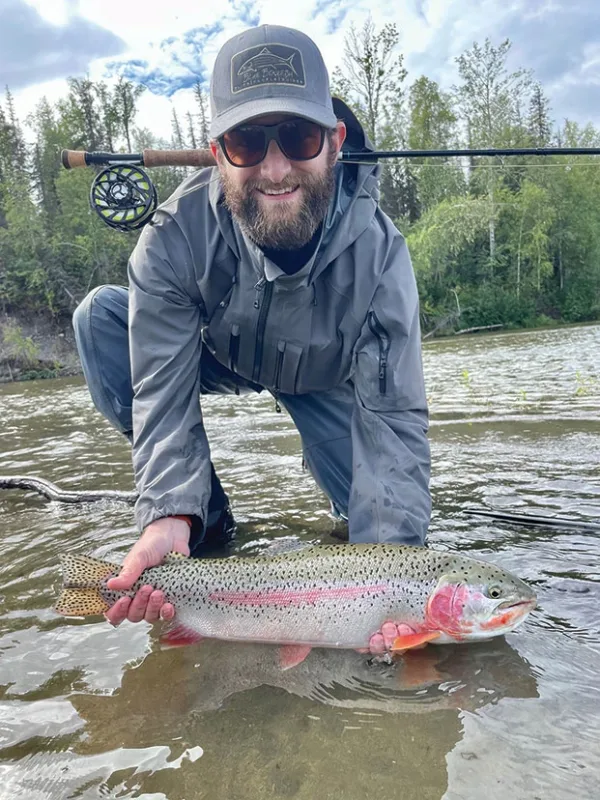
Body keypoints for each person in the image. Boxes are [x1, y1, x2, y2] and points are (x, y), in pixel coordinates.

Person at [72, 24, 431, 633]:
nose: (274, 168)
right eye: (245, 142)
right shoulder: (172, 236)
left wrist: (392, 585)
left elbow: (393, 418)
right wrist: (168, 513)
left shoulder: (382, 256)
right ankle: (202, 524)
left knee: (379, 537)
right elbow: (161, 390)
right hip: (222, 354)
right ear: (217, 153)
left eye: (298, 137)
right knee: (99, 318)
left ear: (335, 142)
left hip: (324, 381)